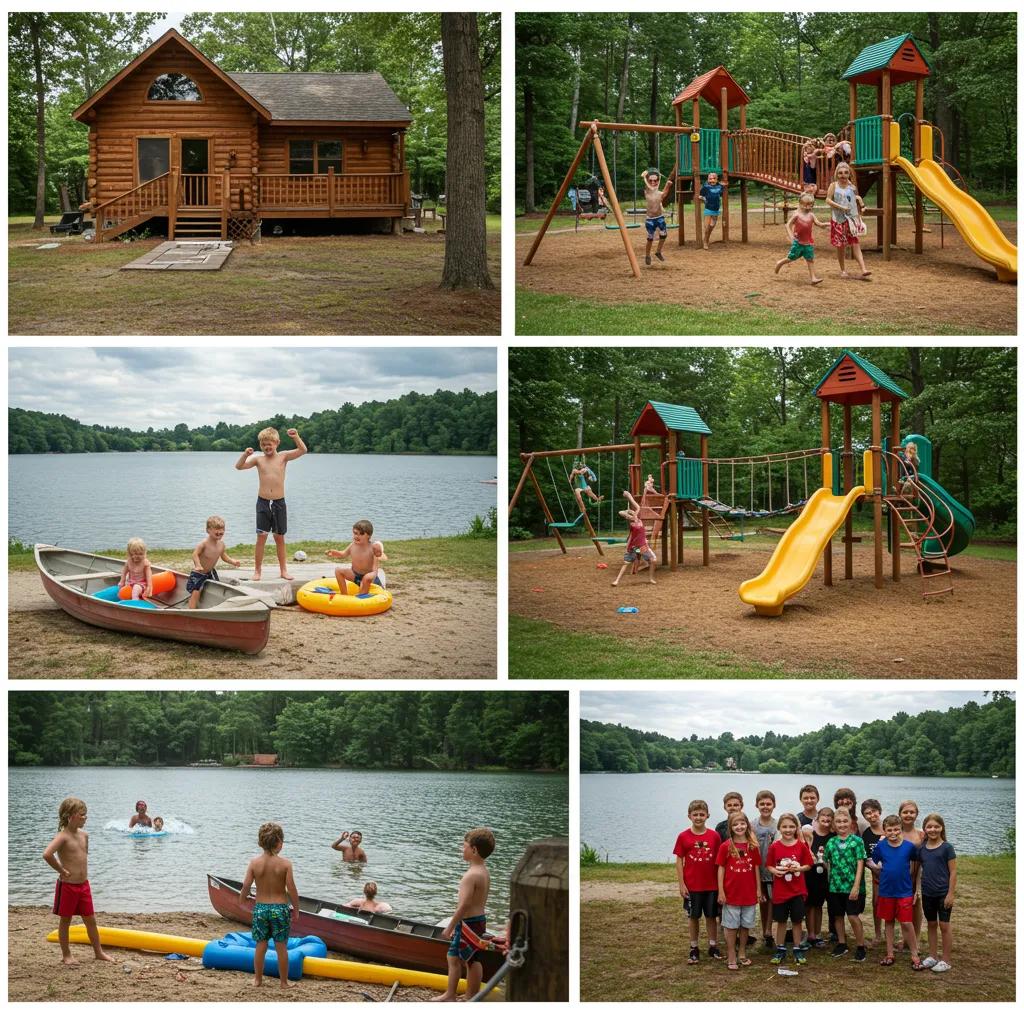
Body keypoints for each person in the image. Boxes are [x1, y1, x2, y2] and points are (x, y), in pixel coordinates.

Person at [43, 797, 114, 966]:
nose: (85, 818)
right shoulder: (63, 837)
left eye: (86, 815)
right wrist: (61, 870)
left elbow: (82, 857)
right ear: (71, 816)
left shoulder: (84, 835)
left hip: (84, 885)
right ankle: (66, 955)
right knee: (65, 920)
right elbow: (47, 854)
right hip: (67, 886)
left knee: (91, 920)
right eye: (82, 815)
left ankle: (99, 952)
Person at [235, 426, 307, 581]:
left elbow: (303, 450)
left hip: (279, 503)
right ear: (260, 446)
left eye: (270, 443)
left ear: (277, 443)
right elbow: (239, 467)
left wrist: (295, 437)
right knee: (261, 537)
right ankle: (257, 571)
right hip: (263, 502)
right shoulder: (258, 459)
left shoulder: (283, 457)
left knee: (279, 538)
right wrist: (245, 454)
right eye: (263, 444)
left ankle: (283, 570)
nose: (267, 447)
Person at [434, 827, 494, 1001]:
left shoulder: (471, 875)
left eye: (464, 846)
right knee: (455, 956)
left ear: (474, 850)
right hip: (477, 920)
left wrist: (451, 926)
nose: (462, 849)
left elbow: (465, 904)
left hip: (469, 922)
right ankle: (455, 994)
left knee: (471, 960)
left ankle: (467, 996)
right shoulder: (483, 871)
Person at [240, 822, 300, 989]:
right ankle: (283, 982)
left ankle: (257, 980)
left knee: (261, 945)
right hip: (280, 909)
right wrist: (296, 908)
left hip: (261, 909)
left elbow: (246, 885)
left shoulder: (254, 863)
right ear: (279, 842)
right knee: (281, 947)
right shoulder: (286, 864)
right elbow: (292, 889)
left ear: (261, 842)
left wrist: (242, 900)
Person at [868, 814, 925, 970]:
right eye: (889, 830)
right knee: (889, 921)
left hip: (904, 890)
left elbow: (916, 863)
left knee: (907, 922)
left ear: (901, 830)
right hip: (886, 890)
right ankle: (889, 953)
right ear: (884, 831)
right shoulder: (881, 846)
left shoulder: (909, 847)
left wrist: (915, 888)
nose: (893, 833)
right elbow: (874, 861)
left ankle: (914, 954)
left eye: (896, 830)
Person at [673, 798, 723, 964]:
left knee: (711, 916)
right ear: (689, 816)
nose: (699, 817)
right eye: (695, 814)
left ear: (708, 815)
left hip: (711, 885)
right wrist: (682, 884)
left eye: (702, 814)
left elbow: (720, 861)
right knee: (693, 917)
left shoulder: (714, 836)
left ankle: (713, 945)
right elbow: (679, 860)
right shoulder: (683, 836)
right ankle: (694, 947)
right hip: (692, 886)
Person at [715, 811, 762, 970]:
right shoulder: (725, 846)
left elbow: (756, 868)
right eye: (735, 824)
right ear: (730, 827)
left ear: (747, 825)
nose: (739, 827)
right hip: (731, 894)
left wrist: (758, 890)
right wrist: (721, 891)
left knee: (745, 924)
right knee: (731, 925)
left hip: (749, 893)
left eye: (742, 823)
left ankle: (742, 952)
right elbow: (721, 869)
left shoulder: (753, 846)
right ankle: (731, 954)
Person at [766, 812, 813, 965]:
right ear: (779, 828)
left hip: (797, 891)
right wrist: (776, 871)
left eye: (791, 826)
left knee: (797, 921)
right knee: (780, 921)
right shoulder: (775, 846)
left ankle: (797, 948)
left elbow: (809, 865)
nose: (788, 830)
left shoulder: (801, 846)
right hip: (780, 891)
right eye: (784, 826)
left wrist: (799, 867)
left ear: (796, 828)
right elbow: (769, 865)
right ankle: (780, 949)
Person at [823, 807, 867, 961]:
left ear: (850, 823)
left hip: (852, 887)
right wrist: (831, 879)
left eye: (845, 821)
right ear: (834, 825)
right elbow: (826, 862)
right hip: (835, 887)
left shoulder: (857, 841)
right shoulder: (831, 842)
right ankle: (842, 943)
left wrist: (856, 886)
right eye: (838, 822)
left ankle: (861, 946)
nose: (842, 824)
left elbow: (860, 863)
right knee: (838, 916)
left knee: (853, 916)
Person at [918, 813, 956, 973]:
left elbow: (953, 872)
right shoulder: (922, 849)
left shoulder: (947, 848)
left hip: (943, 893)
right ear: (924, 829)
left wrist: (950, 894)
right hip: (927, 893)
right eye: (929, 826)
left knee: (944, 925)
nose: (933, 829)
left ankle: (946, 960)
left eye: (936, 826)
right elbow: (919, 870)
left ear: (942, 828)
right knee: (931, 924)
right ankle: (933, 955)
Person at [825, 162, 871, 279]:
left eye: (845, 173)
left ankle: (863, 269)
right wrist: (840, 207)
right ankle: (843, 270)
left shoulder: (852, 187)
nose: (843, 175)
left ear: (849, 174)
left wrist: (861, 210)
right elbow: (828, 200)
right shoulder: (833, 186)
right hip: (838, 220)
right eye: (840, 173)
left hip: (851, 220)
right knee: (841, 246)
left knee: (855, 243)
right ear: (837, 174)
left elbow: (856, 199)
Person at [187, 514, 242, 609]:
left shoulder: (221, 545)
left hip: (210, 572)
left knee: (217, 587)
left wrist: (233, 562)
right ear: (208, 530)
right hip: (199, 573)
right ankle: (192, 610)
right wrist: (198, 565)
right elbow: (195, 554)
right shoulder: (203, 544)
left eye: (222, 531)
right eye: (216, 530)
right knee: (196, 591)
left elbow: (224, 557)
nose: (220, 533)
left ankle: (214, 606)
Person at [774, 192, 827, 285]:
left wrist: (827, 224)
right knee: (791, 258)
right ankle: (780, 262)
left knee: (810, 259)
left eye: (810, 205)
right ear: (800, 204)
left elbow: (819, 224)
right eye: (805, 205)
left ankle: (813, 278)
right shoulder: (797, 215)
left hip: (808, 242)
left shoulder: (811, 215)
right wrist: (791, 236)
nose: (807, 207)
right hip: (798, 242)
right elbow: (788, 225)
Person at [327, 521, 387, 596]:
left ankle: (360, 597)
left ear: (369, 536)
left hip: (369, 580)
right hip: (355, 576)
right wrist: (334, 553)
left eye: (361, 534)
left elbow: (376, 568)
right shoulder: (353, 545)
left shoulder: (372, 548)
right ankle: (344, 594)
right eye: (355, 533)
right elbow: (343, 554)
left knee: (366, 578)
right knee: (338, 570)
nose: (357, 536)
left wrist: (379, 553)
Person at [804, 805, 834, 948]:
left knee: (819, 905)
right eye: (824, 817)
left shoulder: (833, 837)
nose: (826, 820)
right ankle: (810, 934)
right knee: (809, 905)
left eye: (829, 818)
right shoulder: (810, 834)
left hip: (825, 877)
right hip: (809, 875)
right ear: (818, 818)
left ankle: (817, 933)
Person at [612, 491, 656, 586]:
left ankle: (651, 578)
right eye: (631, 514)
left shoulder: (638, 520)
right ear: (629, 517)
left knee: (652, 560)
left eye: (633, 513)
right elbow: (620, 512)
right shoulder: (633, 524)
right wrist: (628, 512)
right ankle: (616, 581)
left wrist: (629, 497)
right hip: (634, 547)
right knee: (626, 563)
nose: (634, 513)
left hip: (641, 546)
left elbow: (638, 507)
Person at [753, 790, 778, 948]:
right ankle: (764, 931)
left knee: (772, 900)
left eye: (768, 804)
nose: (765, 806)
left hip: (774, 870)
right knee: (762, 900)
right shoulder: (752, 824)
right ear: (757, 805)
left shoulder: (778, 825)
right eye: (762, 804)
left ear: (774, 805)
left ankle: (769, 930)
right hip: (756, 869)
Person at [899, 800, 926, 946]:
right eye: (905, 812)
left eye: (912, 812)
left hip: (916, 875)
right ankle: (904, 938)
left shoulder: (921, 835)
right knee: (902, 907)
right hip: (901, 876)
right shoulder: (896, 833)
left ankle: (916, 938)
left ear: (916, 814)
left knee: (916, 905)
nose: (908, 815)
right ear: (900, 814)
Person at [861, 798, 885, 944]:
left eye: (873, 811)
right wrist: (874, 869)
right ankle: (877, 934)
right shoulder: (867, 834)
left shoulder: (890, 827)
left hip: (895, 875)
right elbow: (865, 857)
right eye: (867, 813)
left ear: (879, 811)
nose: (871, 815)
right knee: (877, 902)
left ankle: (903, 936)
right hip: (877, 875)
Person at [642, 168, 674, 266]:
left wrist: (668, 185)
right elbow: (651, 187)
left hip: (659, 217)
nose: (653, 182)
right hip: (650, 219)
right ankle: (647, 255)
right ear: (648, 181)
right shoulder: (647, 191)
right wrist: (644, 177)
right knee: (650, 238)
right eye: (650, 180)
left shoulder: (659, 194)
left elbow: (664, 194)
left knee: (663, 235)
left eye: (655, 180)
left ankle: (658, 251)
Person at [698, 172, 724, 250]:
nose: (712, 180)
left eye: (714, 178)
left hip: (716, 210)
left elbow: (720, 195)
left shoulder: (720, 187)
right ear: (708, 179)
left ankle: (706, 239)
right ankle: (705, 242)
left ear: (716, 179)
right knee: (706, 228)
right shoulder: (705, 187)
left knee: (712, 226)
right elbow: (700, 196)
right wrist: (703, 199)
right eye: (710, 178)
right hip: (708, 210)